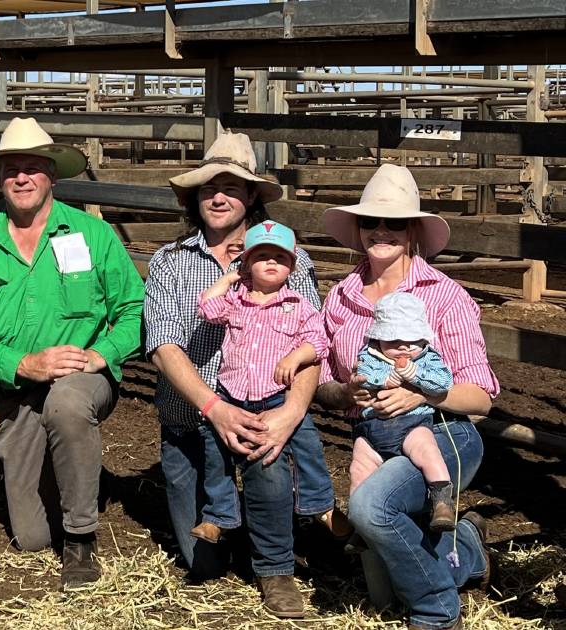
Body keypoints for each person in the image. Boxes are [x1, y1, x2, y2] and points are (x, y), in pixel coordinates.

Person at [143, 131, 345, 619]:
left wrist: (292, 411)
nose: (219, 197)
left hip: (264, 407)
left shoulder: (288, 260)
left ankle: (276, 569)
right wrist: (214, 408)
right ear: (194, 196)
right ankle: (240, 521)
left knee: (269, 463)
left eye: (232, 187)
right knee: (204, 564)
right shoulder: (171, 262)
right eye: (209, 187)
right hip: (193, 418)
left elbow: (309, 342)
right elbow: (163, 346)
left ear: (251, 196)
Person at [0, 117, 145, 590]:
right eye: (12, 168)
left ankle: (81, 539)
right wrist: (20, 364)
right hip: (19, 387)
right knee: (31, 537)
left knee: (68, 404)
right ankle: (83, 476)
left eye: (33, 167)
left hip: (82, 379)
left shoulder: (90, 235)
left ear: (52, 175)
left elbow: (135, 307)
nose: (22, 177)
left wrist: (103, 355)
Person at [314, 163, 499, 630]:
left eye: (394, 222)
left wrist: (422, 394)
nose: (381, 231)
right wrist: (344, 389)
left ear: (413, 231)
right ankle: (469, 551)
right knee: (382, 593)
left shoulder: (445, 296)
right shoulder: (341, 296)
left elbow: (480, 398)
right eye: (370, 221)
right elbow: (323, 383)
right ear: (357, 230)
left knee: (370, 509)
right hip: (373, 437)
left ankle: (437, 611)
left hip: (443, 433)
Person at [190, 220, 329, 545]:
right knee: (214, 450)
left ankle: (319, 503)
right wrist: (227, 280)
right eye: (262, 256)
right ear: (247, 263)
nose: (271, 262)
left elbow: (318, 342)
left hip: (276, 396)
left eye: (280, 258)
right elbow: (206, 308)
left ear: (291, 267)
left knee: (307, 443)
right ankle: (219, 515)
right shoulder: (235, 300)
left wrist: (295, 358)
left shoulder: (298, 306)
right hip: (232, 393)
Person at [351, 292, 455, 531]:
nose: (403, 347)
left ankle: (442, 502)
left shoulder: (428, 358)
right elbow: (362, 376)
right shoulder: (369, 355)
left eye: (410, 339)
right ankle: (358, 523)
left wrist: (415, 375)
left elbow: (443, 383)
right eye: (392, 340)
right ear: (379, 339)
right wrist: (384, 378)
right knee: (358, 468)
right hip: (372, 428)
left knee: (428, 452)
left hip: (412, 424)